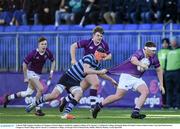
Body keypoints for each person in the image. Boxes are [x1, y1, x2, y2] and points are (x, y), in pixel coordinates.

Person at [25, 48, 117, 119]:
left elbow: (102, 74)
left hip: (75, 81)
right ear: (97, 53)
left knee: (79, 93)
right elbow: (86, 70)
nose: (102, 58)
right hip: (67, 77)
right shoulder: (89, 57)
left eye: (103, 57)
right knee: (53, 96)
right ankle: (34, 104)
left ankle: (65, 114)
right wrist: (100, 72)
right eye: (102, 56)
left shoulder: (98, 63)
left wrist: (111, 80)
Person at [92, 41, 165, 119]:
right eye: (152, 50)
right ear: (146, 49)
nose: (154, 52)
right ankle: (98, 106)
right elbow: (133, 60)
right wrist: (141, 64)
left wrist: (161, 84)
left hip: (137, 78)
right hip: (127, 76)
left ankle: (135, 112)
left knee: (145, 92)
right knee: (118, 96)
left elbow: (159, 69)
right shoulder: (140, 52)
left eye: (155, 50)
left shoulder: (154, 57)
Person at [3, 36, 55, 116]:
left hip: (37, 75)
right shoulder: (33, 53)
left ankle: (8, 98)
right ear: (38, 45)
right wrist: (25, 77)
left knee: (28, 93)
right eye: (42, 44)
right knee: (41, 89)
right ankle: (37, 109)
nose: (44, 46)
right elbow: (24, 64)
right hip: (30, 73)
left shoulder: (47, 52)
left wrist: (51, 73)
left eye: (45, 44)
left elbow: (53, 61)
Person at [70, 25, 112, 109]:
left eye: (101, 36)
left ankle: (65, 100)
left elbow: (109, 55)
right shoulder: (87, 42)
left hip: (94, 69)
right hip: (86, 68)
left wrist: (105, 58)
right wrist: (73, 59)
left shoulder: (104, 44)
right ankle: (93, 107)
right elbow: (73, 46)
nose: (99, 37)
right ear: (93, 35)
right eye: (98, 35)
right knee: (96, 83)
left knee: (80, 90)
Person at [165, 36, 180, 109]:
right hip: (168, 72)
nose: (172, 42)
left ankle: (177, 105)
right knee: (169, 89)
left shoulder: (179, 50)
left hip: (177, 72)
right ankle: (169, 105)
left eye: (174, 41)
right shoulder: (168, 51)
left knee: (177, 89)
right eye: (171, 41)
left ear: (176, 42)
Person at [158, 38, 170, 108]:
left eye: (166, 43)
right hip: (160, 73)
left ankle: (170, 103)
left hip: (167, 72)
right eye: (163, 43)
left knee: (169, 88)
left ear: (168, 44)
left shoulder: (170, 51)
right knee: (162, 88)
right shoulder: (159, 52)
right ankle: (164, 103)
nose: (165, 44)